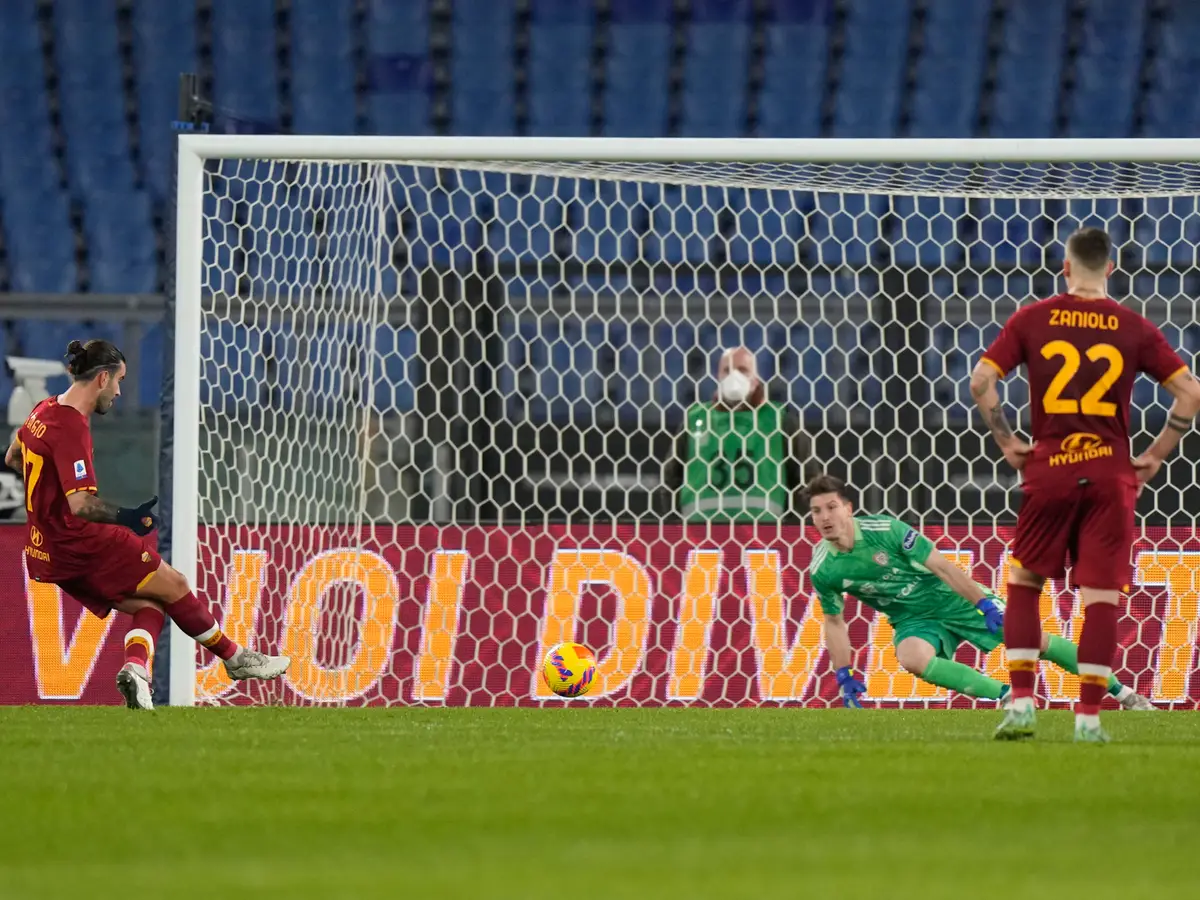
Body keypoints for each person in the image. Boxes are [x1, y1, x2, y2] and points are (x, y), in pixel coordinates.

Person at [971, 226, 1200, 742]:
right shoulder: (1134, 326)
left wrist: (1008, 442)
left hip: (1048, 469)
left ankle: (1024, 706)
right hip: (1110, 474)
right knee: (1101, 598)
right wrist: (1156, 456)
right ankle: (1089, 720)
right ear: (1111, 270)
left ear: (1065, 269)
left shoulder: (1032, 319)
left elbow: (981, 381)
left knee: (1025, 585)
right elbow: (1189, 392)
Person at [4, 339, 290, 710]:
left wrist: (44, 503)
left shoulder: (42, 411)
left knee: (152, 603)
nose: (120, 391)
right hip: (80, 543)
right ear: (102, 378)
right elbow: (80, 505)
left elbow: (13, 456)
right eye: (119, 381)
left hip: (44, 551)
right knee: (176, 585)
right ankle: (236, 659)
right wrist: (127, 518)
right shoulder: (71, 427)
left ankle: (136, 671)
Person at [806, 474, 1153, 711]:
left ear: (849, 508)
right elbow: (834, 621)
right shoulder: (824, 568)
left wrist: (985, 604)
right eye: (817, 510)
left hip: (952, 597)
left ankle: (1123, 693)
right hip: (913, 619)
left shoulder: (887, 530)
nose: (825, 517)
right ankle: (1008, 697)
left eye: (832, 507)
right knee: (911, 657)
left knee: (1032, 643)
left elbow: (942, 567)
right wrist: (843, 673)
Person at [662, 346, 813, 522]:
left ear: (755, 379)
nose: (734, 377)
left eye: (742, 370)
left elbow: (806, 479)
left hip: (764, 535)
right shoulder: (695, 418)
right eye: (727, 370)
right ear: (718, 377)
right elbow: (671, 477)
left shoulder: (781, 420)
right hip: (700, 533)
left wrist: (793, 530)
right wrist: (673, 527)